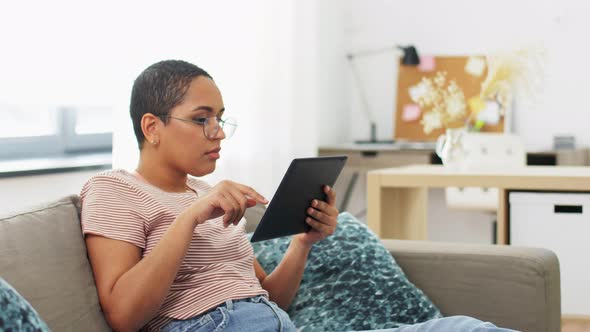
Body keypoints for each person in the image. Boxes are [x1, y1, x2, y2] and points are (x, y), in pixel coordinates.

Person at [80, 60, 517, 332]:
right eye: (201, 119)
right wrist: (188, 218)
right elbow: (123, 315)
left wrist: (302, 244)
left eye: (221, 119)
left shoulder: (208, 194)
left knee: (467, 328)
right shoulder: (113, 190)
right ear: (152, 127)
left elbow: (266, 297)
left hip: (272, 322)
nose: (217, 133)